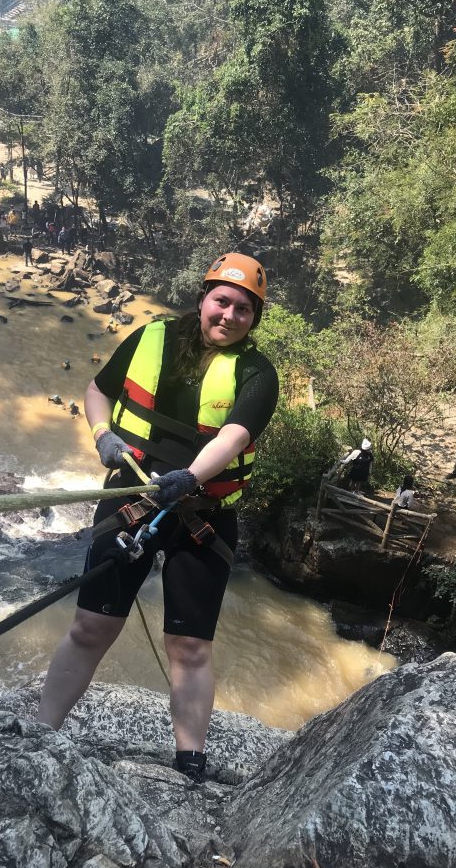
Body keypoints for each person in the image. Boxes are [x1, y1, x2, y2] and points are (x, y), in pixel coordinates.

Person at [36, 253, 279, 782]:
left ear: (253, 318)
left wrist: (191, 476)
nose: (229, 315)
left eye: (244, 309)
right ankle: (42, 731)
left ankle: (190, 759)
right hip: (133, 499)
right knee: (91, 626)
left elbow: (236, 435)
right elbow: (99, 390)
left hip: (202, 515)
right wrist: (102, 433)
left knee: (190, 645)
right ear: (203, 298)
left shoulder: (258, 373)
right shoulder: (152, 338)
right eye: (222, 301)